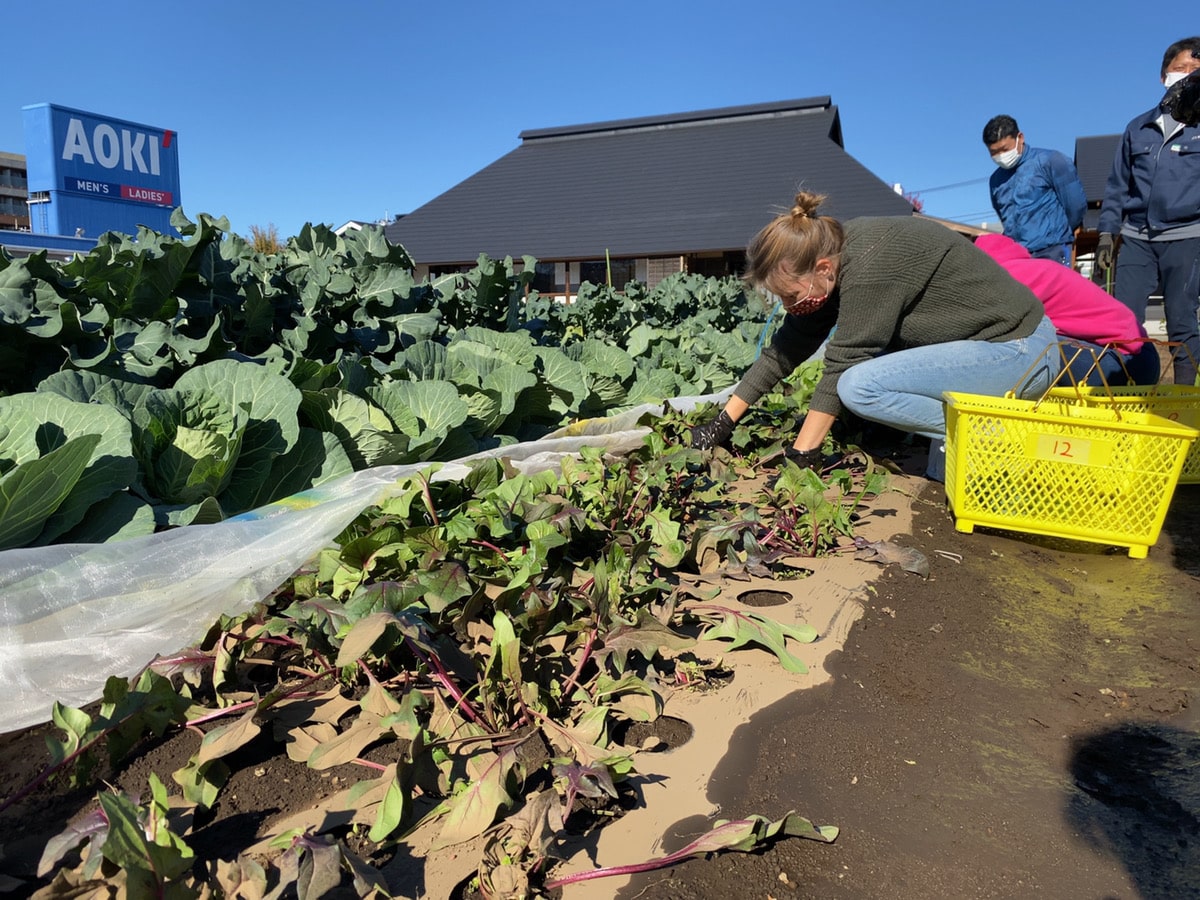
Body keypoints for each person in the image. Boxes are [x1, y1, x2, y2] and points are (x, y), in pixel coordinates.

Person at [688, 192, 1061, 481]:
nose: (787, 305)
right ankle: (976, 436)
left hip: (1020, 353)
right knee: (939, 475)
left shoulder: (869, 264)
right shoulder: (833, 263)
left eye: (790, 295)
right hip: (987, 350)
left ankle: (998, 436)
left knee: (858, 386)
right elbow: (783, 351)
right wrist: (722, 423)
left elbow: (842, 362)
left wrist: (802, 455)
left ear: (821, 269)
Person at [1096, 36, 1200, 387]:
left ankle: (1185, 404)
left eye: (1195, 70)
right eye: (1179, 69)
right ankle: (1125, 393)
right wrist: (1108, 234)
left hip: (1186, 237)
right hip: (1137, 237)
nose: (1186, 75)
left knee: (1182, 322)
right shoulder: (1137, 127)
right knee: (1122, 320)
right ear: (1163, 76)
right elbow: (1116, 186)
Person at [975, 233, 1159, 387]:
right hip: (1135, 356)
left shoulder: (1008, 278)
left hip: (1127, 364)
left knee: (1015, 347)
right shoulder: (1034, 268)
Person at [982, 115, 1087, 266]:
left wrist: (1057, 234)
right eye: (994, 152)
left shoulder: (1051, 161)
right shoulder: (996, 181)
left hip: (1052, 251)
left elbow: (1075, 206)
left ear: (1020, 138)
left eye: (1005, 149)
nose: (1001, 156)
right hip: (1017, 256)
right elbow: (1004, 217)